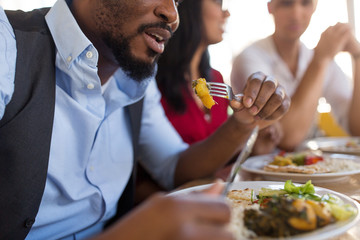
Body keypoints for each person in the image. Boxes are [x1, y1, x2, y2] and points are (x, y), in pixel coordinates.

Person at [0, 0, 290, 239]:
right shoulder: (7, 44)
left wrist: (242, 123)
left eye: (177, 1)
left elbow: (173, 166)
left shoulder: (135, 80)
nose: (173, 15)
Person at [156, 0, 282, 164]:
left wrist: (254, 146)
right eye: (217, 2)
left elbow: (220, 159)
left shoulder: (216, 78)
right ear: (187, 6)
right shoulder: (153, 81)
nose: (227, 13)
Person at [231, 0, 360, 151]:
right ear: (270, 7)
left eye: (305, 3)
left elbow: (357, 128)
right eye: (286, 4)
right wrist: (320, 59)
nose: (296, 15)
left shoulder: (320, 57)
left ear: (314, 7)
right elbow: (288, 137)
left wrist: (358, 56)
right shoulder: (251, 58)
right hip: (262, 169)